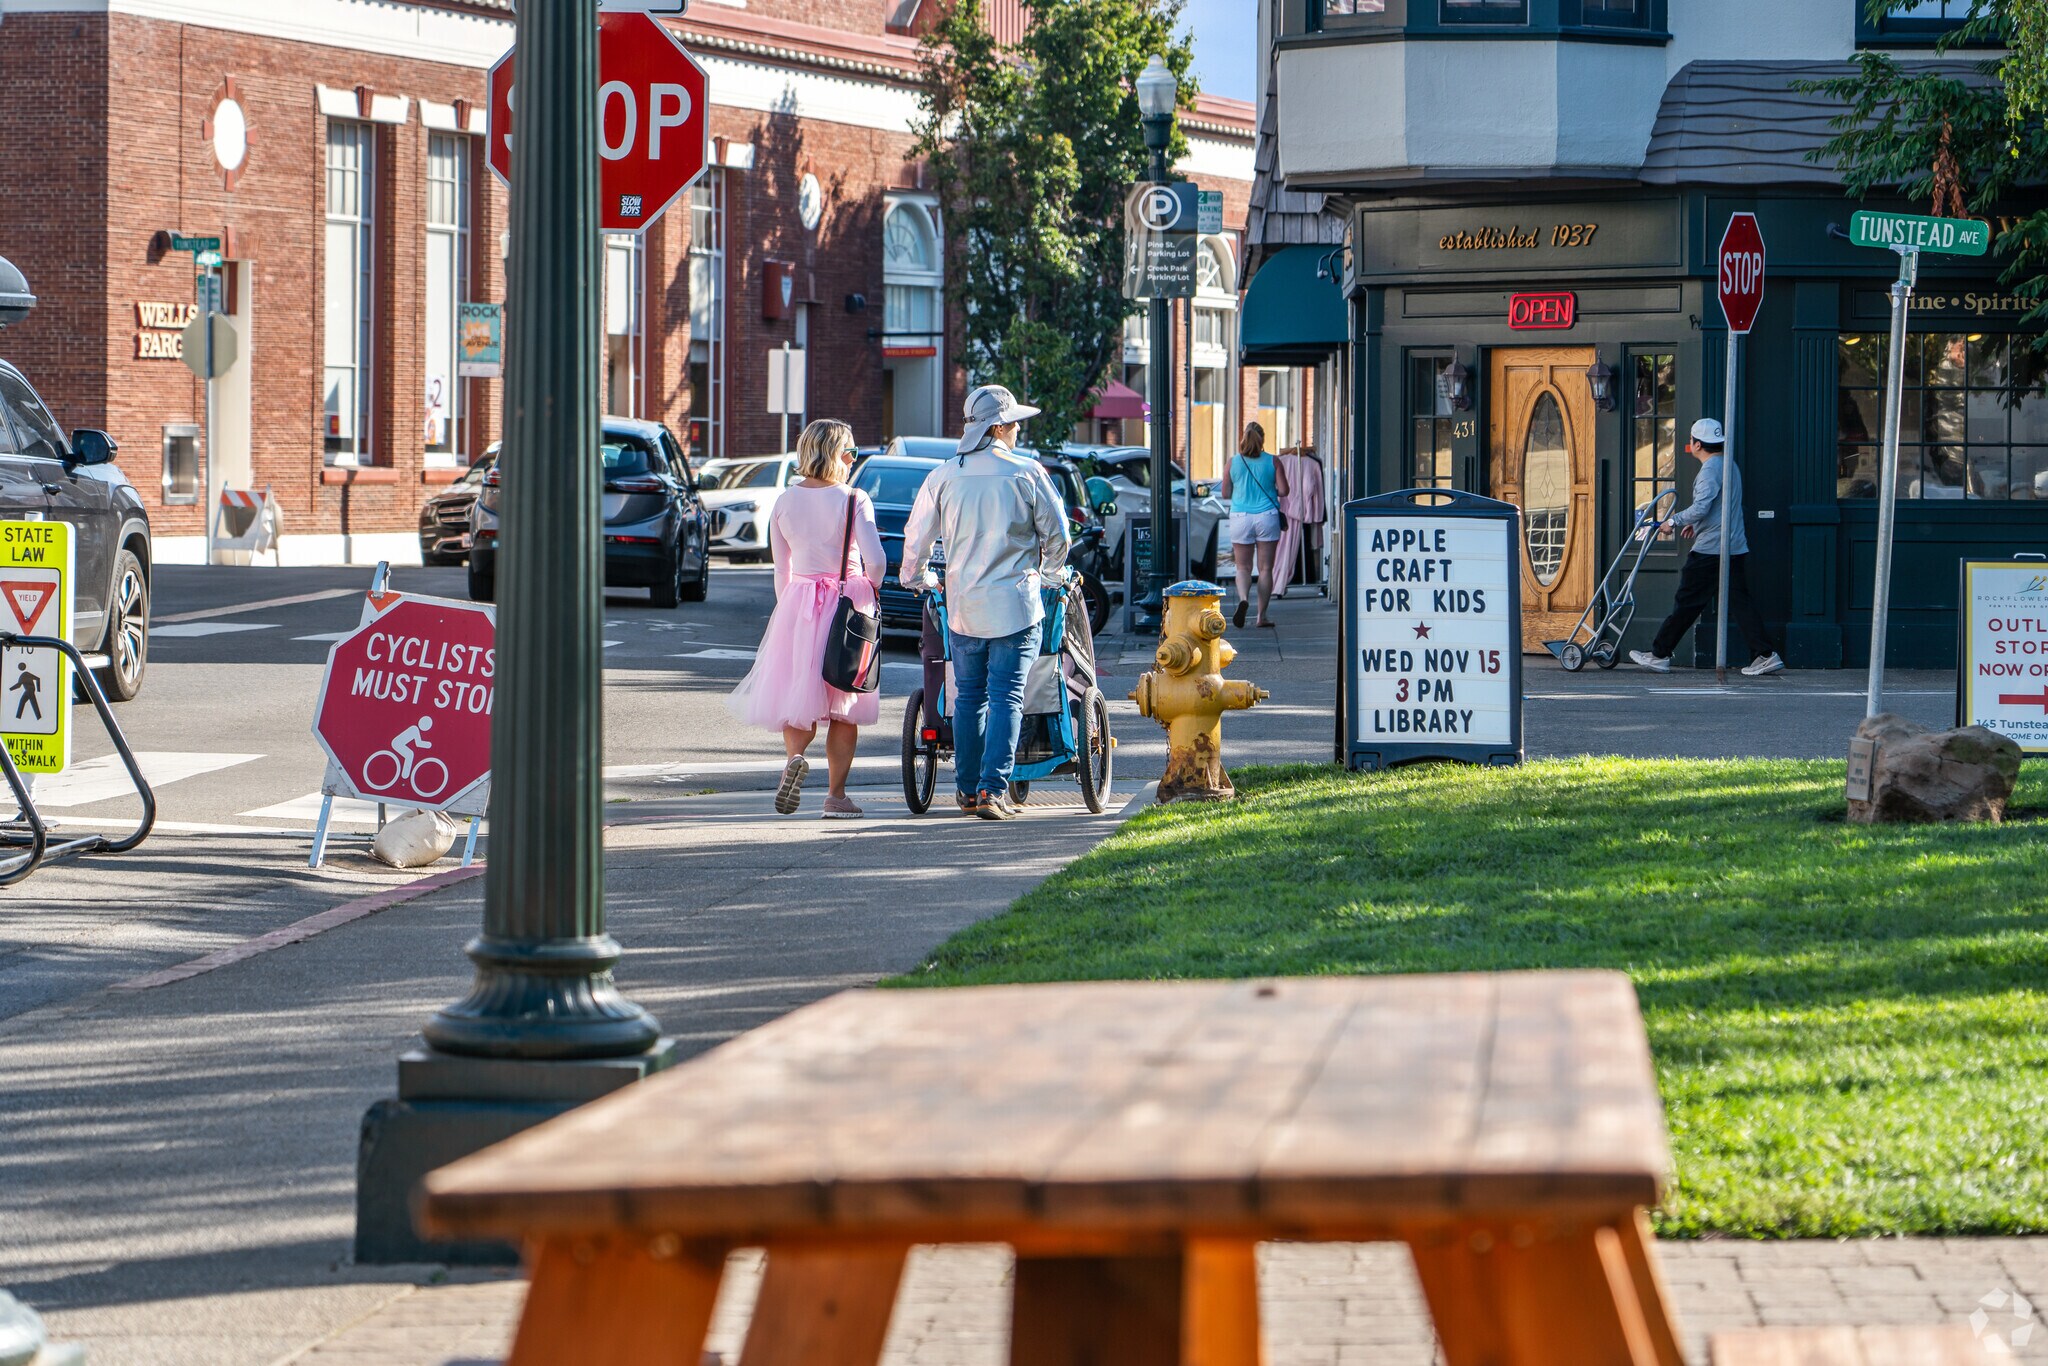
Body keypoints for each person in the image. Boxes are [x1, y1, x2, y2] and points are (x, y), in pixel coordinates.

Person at [900, 384, 1071, 821]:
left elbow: (917, 538)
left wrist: (918, 579)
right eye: (1014, 424)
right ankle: (994, 790)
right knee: (1007, 697)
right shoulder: (1027, 473)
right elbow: (1059, 537)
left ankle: (967, 789)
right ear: (998, 427)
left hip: (962, 606)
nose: (1017, 431)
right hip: (1016, 605)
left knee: (970, 697)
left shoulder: (944, 476)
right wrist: (1050, 576)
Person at [727, 418, 886, 818]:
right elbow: (878, 562)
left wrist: (793, 607)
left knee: (801, 695)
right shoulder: (854, 499)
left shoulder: (784, 502)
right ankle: (836, 797)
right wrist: (868, 587)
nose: (853, 459)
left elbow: (781, 569)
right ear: (837, 455)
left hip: (798, 603)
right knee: (844, 705)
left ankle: (794, 759)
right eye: (850, 451)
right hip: (846, 604)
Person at [1629, 417, 1785, 677]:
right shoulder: (1728, 465)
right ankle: (1765, 654)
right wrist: (1698, 525)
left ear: (1697, 444)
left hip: (1711, 550)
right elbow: (1721, 507)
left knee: (1687, 602)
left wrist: (1673, 521)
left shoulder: (1710, 470)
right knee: (1739, 602)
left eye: (1690, 440)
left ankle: (1659, 654)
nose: (1690, 444)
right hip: (1732, 545)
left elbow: (1702, 506)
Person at [1220, 421, 1290, 629]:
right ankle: (1261, 616)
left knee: (1242, 567)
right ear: (1263, 440)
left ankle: (1243, 598)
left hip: (1240, 516)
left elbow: (1225, 493)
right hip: (1267, 516)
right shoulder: (1273, 461)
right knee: (1266, 568)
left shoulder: (1233, 462)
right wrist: (1269, 491)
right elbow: (1285, 490)